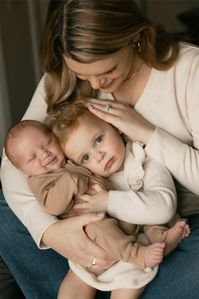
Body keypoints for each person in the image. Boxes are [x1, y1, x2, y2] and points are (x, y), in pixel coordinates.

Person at [0, 0, 199, 298]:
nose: (95, 83)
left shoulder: (189, 70)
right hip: (91, 221)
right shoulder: (68, 74)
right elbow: (13, 163)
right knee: (7, 212)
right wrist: (55, 235)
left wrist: (147, 133)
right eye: (83, 75)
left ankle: (122, 277)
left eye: (107, 70)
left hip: (174, 220)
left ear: (134, 37)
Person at [4, 116, 189, 299]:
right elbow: (53, 204)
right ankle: (137, 254)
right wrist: (71, 180)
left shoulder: (73, 159)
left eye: (47, 144)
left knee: (143, 216)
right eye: (32, 158)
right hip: (91, 229)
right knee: (81, 275)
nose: (44, 154)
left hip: (117, 216)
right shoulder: (40, 181)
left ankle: (162, 237)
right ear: (23, 170)